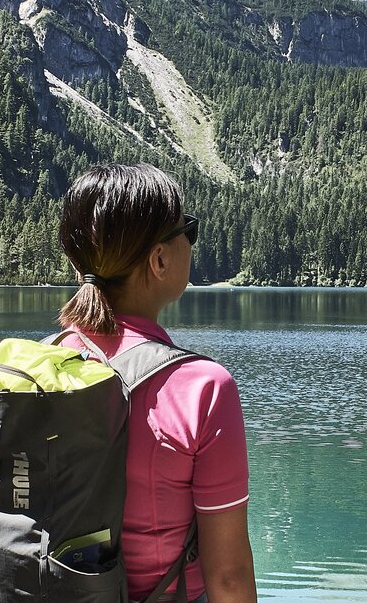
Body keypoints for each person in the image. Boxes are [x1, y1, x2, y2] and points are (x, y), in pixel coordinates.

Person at [53, 163, 257, 603]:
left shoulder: (27, 371)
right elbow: (229, 579)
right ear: (159, 260)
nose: (191, 241)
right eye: (189, 230)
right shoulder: (202, 389)